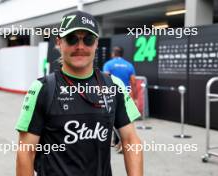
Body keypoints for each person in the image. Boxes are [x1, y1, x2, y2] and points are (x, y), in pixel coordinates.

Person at [15, 10, 143, 176]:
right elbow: (26, 151)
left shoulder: (114, 85)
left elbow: (131, 140)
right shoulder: (42, 88)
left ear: (96, 43)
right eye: (72, 39)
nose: (80, 47)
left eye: (88, 39)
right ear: (59, 42)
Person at [103, 46, 137, 153]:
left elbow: (105, 78)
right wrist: (134, 97)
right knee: (125, 120)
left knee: (112, 120)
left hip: (112, 94)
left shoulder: (108, 64)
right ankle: (119, 142)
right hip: (125, 94)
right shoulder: (129, 65)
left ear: (113, 53)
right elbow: (133, 82)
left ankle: (121, 142)